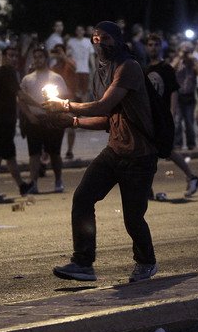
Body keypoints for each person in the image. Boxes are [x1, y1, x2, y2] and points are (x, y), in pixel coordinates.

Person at [44, 21, 159, 283]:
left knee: (132, 217)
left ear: (118, 40)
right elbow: (106, 118)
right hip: (115, 151)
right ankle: (83, 263)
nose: (100, 43)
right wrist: (72, 121)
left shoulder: (128, 67)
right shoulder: (100, 73)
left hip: (139, 156)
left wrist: (64, 105)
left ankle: (147, 262)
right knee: (83, 198)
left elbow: (102, 105)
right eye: (96, 39)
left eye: (105, 38)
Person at [145, 33, 198, 197]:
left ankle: (192, 177)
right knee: (152, 152)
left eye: (156, 44)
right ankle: (147, 188)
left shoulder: (166, 68)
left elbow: (173, 91)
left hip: (163, 116)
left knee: (165, 150)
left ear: (160, 47)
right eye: (150, 44)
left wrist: (171, 113)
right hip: (152, 117)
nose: (153, 47)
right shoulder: (146, 69)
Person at [0, 46, 32, 202]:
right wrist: (40, 105)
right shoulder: (9, 73)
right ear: (4, 57)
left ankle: (22, 185)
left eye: (16, 56)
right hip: (4, 119)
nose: (14, 59)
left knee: (9, 155)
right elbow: (20, 94)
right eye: (11, 55)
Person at [18, 46, 68, 193]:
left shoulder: (56, 78)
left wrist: (60, 116)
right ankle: (33, 182)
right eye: (36, 57)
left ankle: (58, 179)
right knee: (34, 153)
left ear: (46, 59)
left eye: (40, 57)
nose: (37, 60)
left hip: (52, 119)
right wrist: (29, 116)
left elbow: (64, 98)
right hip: (35, 119)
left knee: (54, 152)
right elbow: (21, 100)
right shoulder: (28, 79)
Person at [50, 43, 78, 159]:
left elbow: (74, 68)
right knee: (56, 127)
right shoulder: (54, 67)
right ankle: (56, 152)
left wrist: (63, 56)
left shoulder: (69, 62)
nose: (58, 54)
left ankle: (70, 150)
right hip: (57, 98)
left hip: (70, 97)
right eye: (56, 52)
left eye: (60, 51)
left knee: (71, 125)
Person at [66, 25, 96, 104]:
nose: (79, 32)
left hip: (85, 70)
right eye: (78, 30)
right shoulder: (71, 41)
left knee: (84, 92)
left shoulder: (88, 41)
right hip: (73, 71)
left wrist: (94, 68)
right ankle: (72, 111)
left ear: (84, 31)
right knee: (73, 92)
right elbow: (67, 56)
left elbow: (91, 56)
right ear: (76, 32)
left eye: (81, 30)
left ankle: (84, 111)